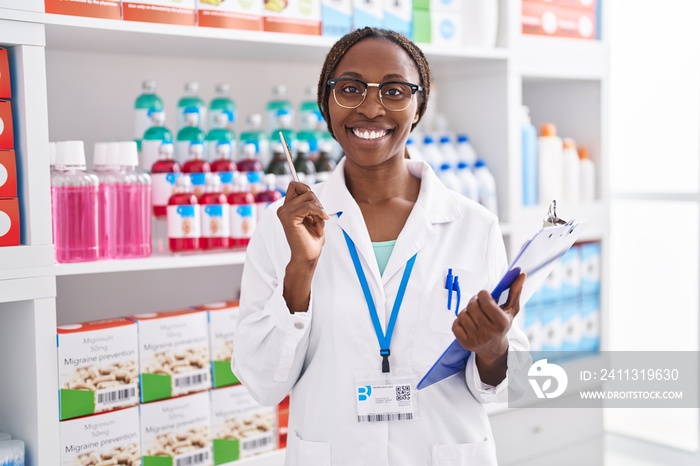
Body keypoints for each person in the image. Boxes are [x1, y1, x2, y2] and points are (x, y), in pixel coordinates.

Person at [232, 27, 529, 466]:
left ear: (419, 105)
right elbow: (261, 382)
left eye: (393, 91)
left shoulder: (473, 226)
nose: (370, 108)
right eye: (350, 89)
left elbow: (509, 384)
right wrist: (300, 271)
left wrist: (493, 349)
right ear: (326, 104)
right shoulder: (281, 228)